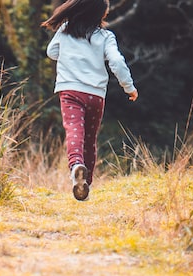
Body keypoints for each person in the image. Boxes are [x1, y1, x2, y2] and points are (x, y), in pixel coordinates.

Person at [42, 0, 138, 201]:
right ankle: (87, 184)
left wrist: (69, 55)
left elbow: (51, 52)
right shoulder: (105, 37)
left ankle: (76, 165)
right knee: (89, 139)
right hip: (95, 95)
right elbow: (117, 62)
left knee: (74, 130)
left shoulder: (65, 30)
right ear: (100, 14)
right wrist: (129, 87)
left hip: (70, 91)